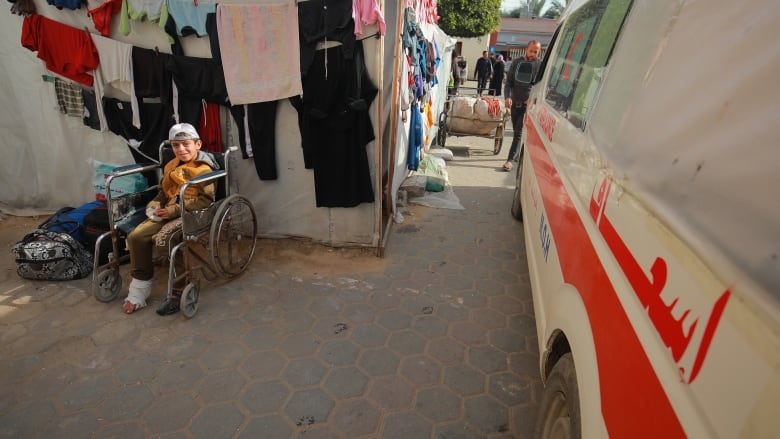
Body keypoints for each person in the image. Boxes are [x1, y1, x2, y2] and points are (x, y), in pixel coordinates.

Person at [122, 122, 218, 315]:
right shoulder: (171, 165)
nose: (181, 149)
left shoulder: (204, 169)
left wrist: (173, 210)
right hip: (169, 210)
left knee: (164, 240)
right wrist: (155, 204)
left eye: (186, 144)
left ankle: (180, 286)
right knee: (136, 237)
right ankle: (139, 289)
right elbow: (163, 192)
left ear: (197, 144)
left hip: (193, 213)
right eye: (176, 145)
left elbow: (206, 200)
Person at [502, 40, 542, 172]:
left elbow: (540, 86)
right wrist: (507, 96)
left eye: (536, 52)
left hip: (527, 106)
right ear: (526, 49)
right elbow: (509, 83)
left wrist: (532, 99)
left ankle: (509, 160)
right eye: (531, 51)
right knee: (516, 131)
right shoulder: (517, 63)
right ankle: (517, 153)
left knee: (518, 133)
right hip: (514, 103)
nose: (533, 54)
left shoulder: (539, 65)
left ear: (539, 52)